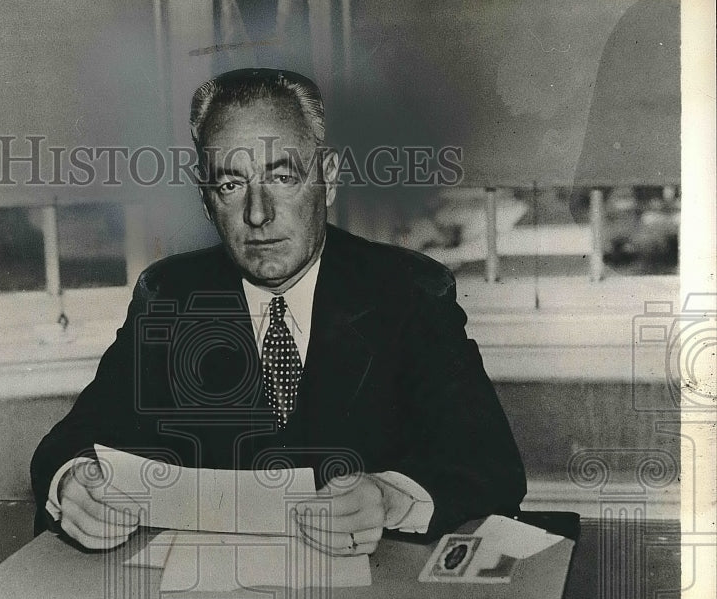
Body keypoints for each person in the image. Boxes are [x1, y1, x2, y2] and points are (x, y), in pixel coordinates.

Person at [31, 68, 526, 554]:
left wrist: (389, 497)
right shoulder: (170, 297)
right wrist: (73, 483)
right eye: (230, 185)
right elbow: (75, 438)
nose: (258, 214)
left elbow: (491, 465)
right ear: (205, 199)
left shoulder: (408, 292)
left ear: (328, 179)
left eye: (282, 176)